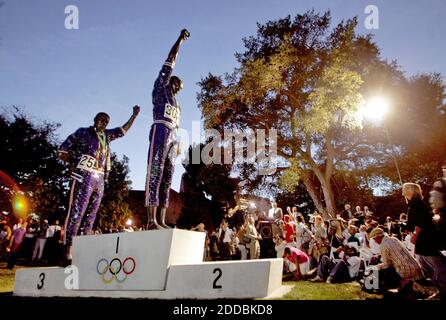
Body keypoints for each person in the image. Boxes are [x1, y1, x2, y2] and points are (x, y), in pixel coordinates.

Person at [58, 105, 140, 265]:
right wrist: (74, 163)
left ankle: (83, 249)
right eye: (101, 120)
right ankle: (67, 249)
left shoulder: (107, 136)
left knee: (92, 214)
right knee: (77, 211)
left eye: (107, 121)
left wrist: (134, 116)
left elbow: (123, 130)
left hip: (100, 177)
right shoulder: (83, 132)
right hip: (85, 174)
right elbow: (62, 150)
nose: (104, 123)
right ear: (95, 120)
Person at [145, 29, 190, 229]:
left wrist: (179, 143)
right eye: (177, 83)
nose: (179, 87)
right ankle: (150, 220)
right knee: (156, 171)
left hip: (173, 136)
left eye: (181, 87)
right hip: (161, 130)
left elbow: (178, 125)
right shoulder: (161, 88)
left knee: (168, 176)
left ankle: (161, 220)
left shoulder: (178, 106)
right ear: (171, 81)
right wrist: (180, 40)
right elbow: (170, 60)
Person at [368, 227, 423, 292]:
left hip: (405, 271)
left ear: (378, 237)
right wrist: (380, 256)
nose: (375, 241)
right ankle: (407, 283)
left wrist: (376, 267)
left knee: (381, 270)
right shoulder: (393, 239)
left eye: (374, 239)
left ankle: (397, 284)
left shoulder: (383, 245)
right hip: (416, 267)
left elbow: (386, 264)